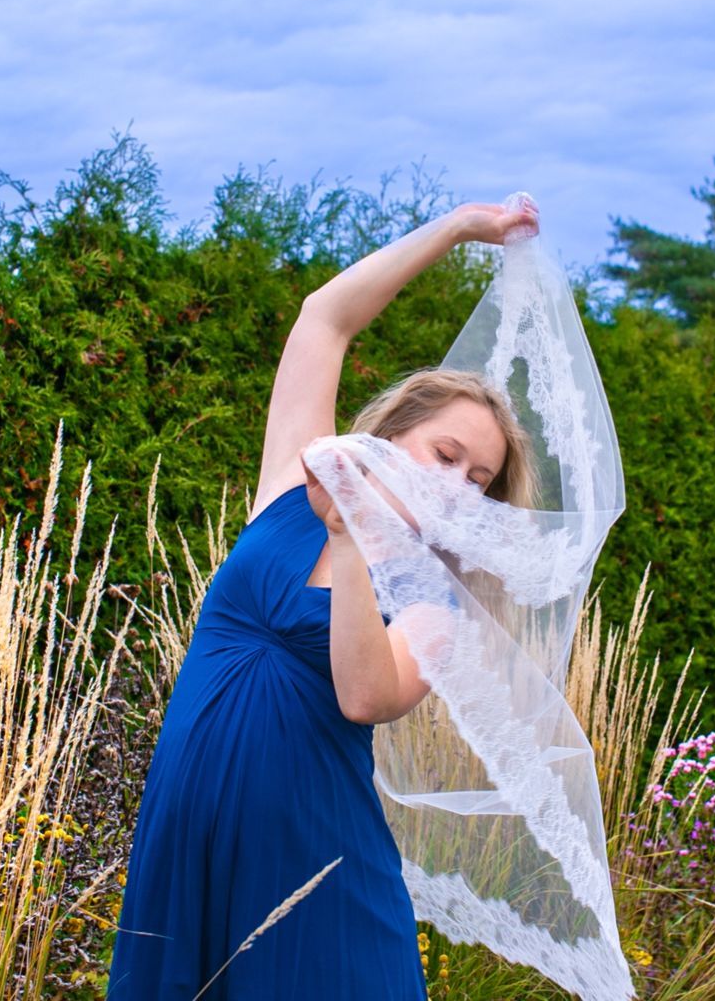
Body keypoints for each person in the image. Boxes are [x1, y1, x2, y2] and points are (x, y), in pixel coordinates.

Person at [105, 198, 541, 1000]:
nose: (456, 484)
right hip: (188, 833)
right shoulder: (288, 483)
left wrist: (349, 536)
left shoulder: (436, 608)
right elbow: (324, 320)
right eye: (445, 454)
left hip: (316, 861)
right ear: (395, 432)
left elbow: (365, 696)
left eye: (477, 480)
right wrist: (454, 229)